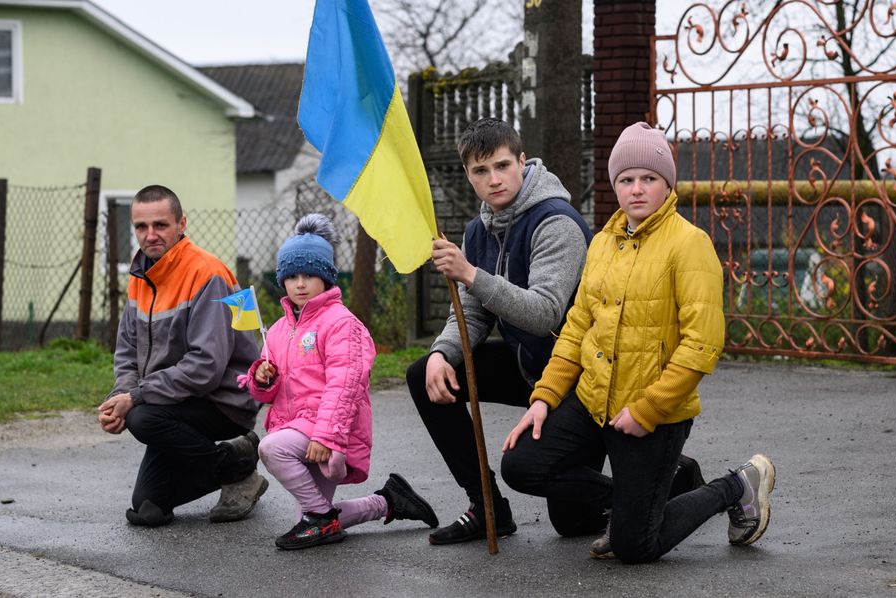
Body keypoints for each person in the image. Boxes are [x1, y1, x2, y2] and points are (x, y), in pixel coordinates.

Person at [499, 122, 776, 563]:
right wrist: (544, 398)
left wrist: (649, 409)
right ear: (615, 186)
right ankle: (638, 505)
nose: (637, 189)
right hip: (593, 400)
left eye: (648, 178)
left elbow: (702, 343)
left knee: (635, 547)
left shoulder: (689, 244)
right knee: (521, 464)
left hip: (654, 413)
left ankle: (736, 485)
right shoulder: (603, 243)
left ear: (667, 183)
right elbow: (575, 328)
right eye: (626, 180)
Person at [406, 117, 599, 545]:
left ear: (522, 162)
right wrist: (442, 353)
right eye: (481, 170)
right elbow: (473, 314)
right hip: (529, 368)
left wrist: (471, 274)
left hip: (579, 381)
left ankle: (668, 477)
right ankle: (486, 506)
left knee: (575, 523)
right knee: (425, 373)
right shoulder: (478, 230)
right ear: (468, 175)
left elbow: (544, 313)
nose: (494, 180)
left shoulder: (556, 222)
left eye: (502, 165)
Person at [244, 214, 439, 550]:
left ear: (326, 277)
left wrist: (326, 436)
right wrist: (262, 378)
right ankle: (388, 502)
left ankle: (320, 518)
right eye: (291, 276)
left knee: (270, 448)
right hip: (296, 425)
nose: (300, 283)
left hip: (326, 429)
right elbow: (270, 390)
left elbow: (345, 385)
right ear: (282, 281)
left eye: (309, 275)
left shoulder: (341, 324)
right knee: (309, 516)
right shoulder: (277, 330)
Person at [98, 184, 267, 527]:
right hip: (172, 400)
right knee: (147, 509)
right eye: (141, 227)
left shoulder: (208, 273)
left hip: (224, 400)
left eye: (160, 225)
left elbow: (206, 367)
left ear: (181, 224)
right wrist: (120, 395)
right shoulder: (140, 277)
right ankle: (238, 455)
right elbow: (127, 353)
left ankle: (236, 473)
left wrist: (136, 397)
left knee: (142, 419)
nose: (150, 235)